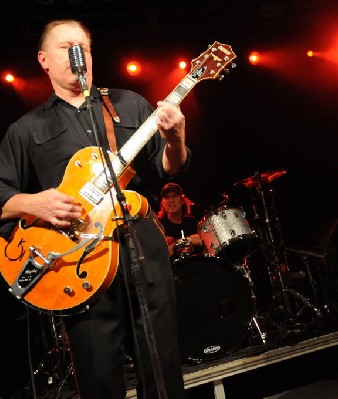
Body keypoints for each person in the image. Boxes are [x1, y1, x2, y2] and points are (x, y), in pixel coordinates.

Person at [0, 19, 189, 397]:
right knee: (99, 375)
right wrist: (34, 201)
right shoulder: (26, 129)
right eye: (66, 47)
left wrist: (176, 140)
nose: (78, 55)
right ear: (43, 60)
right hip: (76, 261)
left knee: (162, 364)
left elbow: (163, 169)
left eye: (84, 47)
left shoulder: (129, 103)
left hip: (140, 244)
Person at [158, 182, 204, 260]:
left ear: (182, 200)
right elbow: (160, 257)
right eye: (167, 197)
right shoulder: (158, 226)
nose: (171, 200)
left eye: (175, 196)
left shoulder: (192, 222)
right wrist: (188, 241)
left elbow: (205, 248)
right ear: (162, 203)